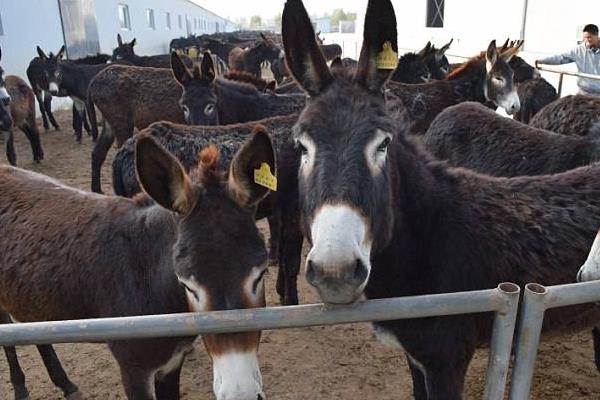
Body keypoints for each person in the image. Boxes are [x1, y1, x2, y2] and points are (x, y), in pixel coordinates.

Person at [535, 24, 600, 96]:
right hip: (583, 92)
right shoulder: (578, 50)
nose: (586, 40)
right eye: (585, 38)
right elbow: (561, 58)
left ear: (596, 36)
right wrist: (543, 61)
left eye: (589, 37)